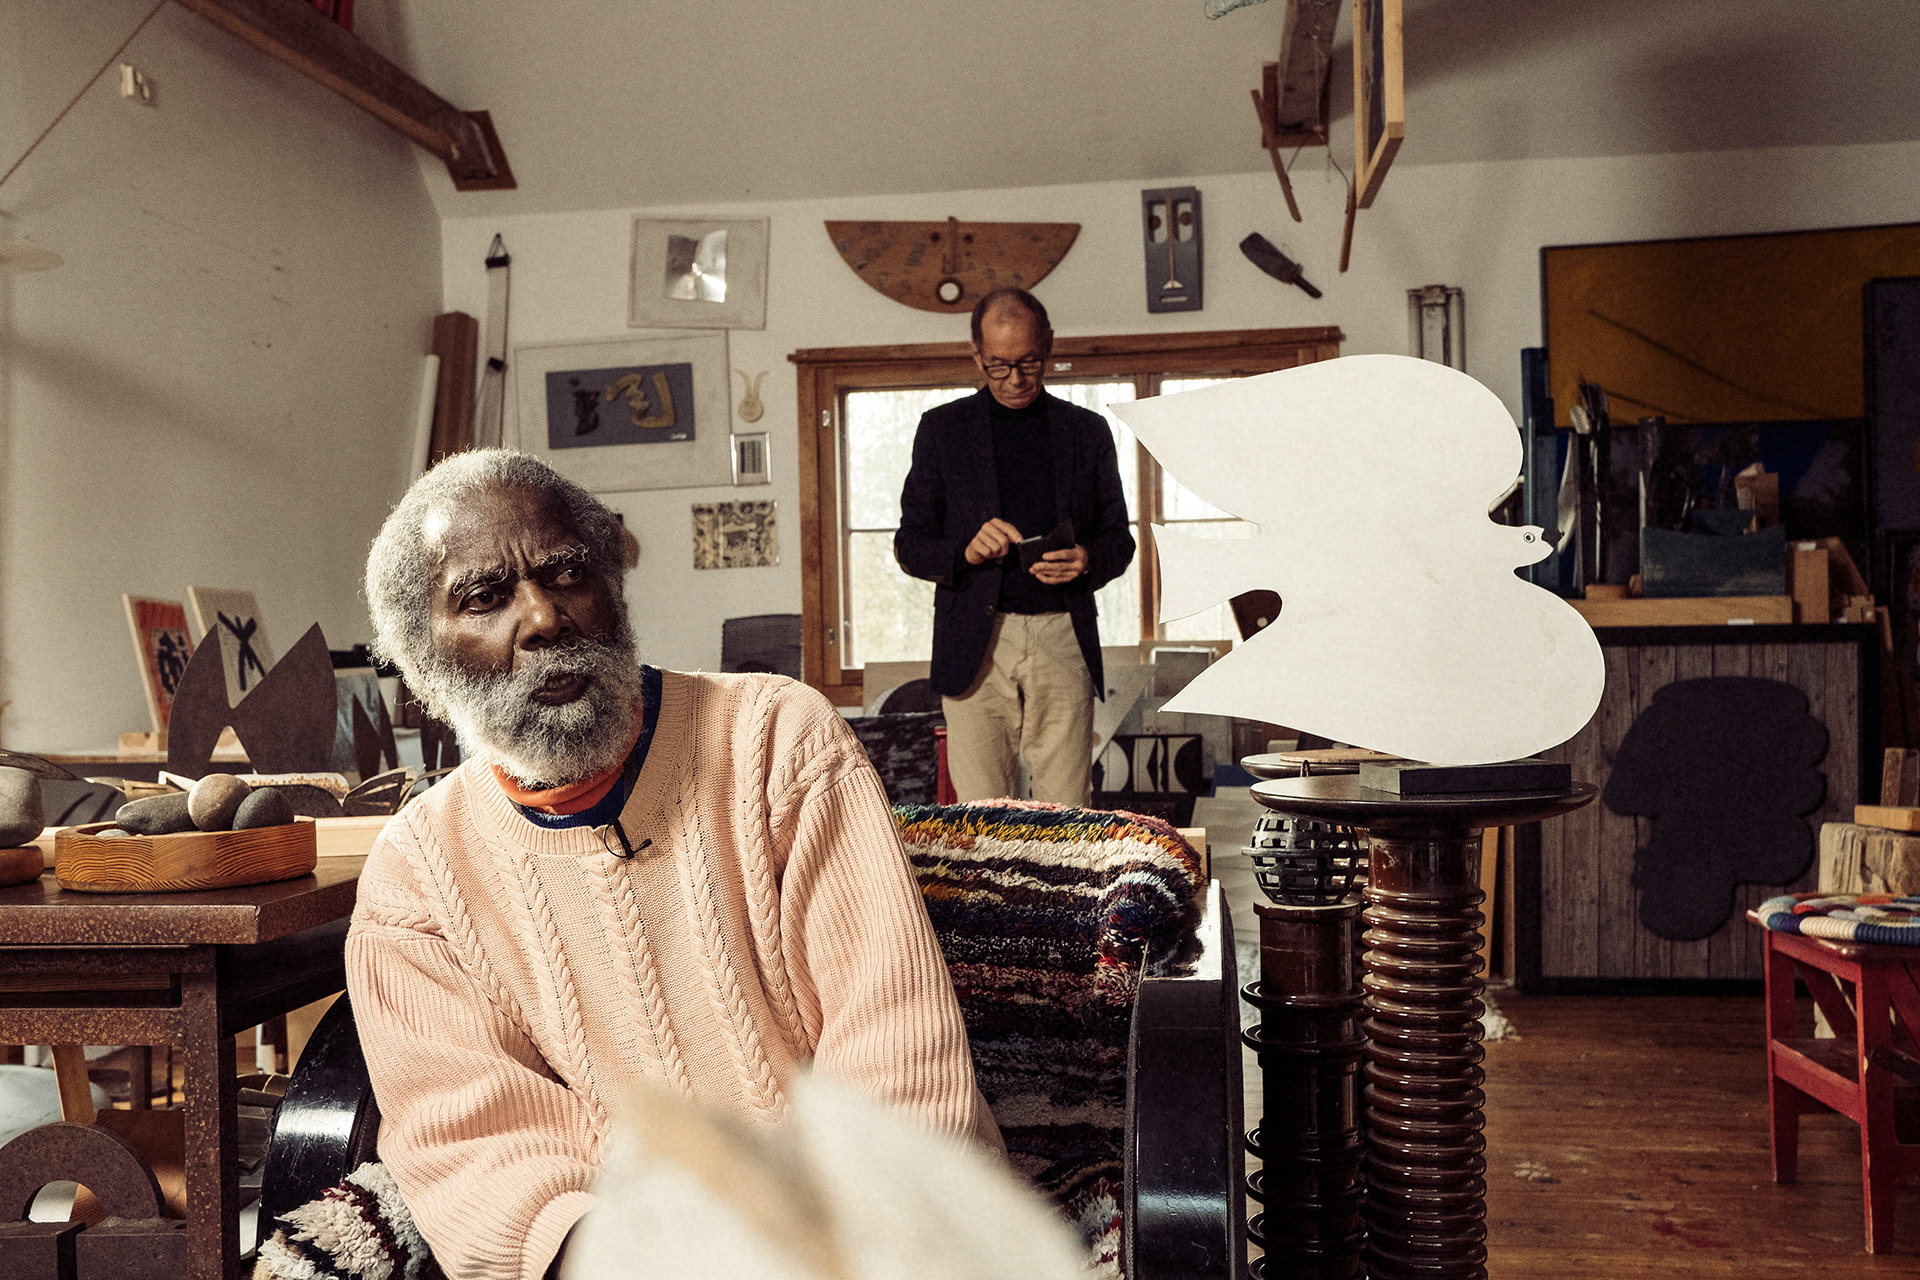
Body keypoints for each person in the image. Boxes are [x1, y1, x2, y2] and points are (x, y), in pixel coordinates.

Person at [348, 449, 1000, 1280]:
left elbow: (895, 1048)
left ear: (613, 590)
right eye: (485, 597)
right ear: (421, 661)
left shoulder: (777, 740)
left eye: (567, 573)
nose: (544, 617)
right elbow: (477, 1149)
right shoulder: (415, 876)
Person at [894, 288, 1134, 804]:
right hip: (974, 641)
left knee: (1067, 813)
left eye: (1029, 362)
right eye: (998, 366)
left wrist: (1088, 560)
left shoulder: (1087, 432)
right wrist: (964, 552)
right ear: (976, 355)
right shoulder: (942, 430)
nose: (1016, 379)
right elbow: (909, 545)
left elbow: (1120, 539)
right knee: (980, 817)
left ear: (1048, 345)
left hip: (1062, 633)